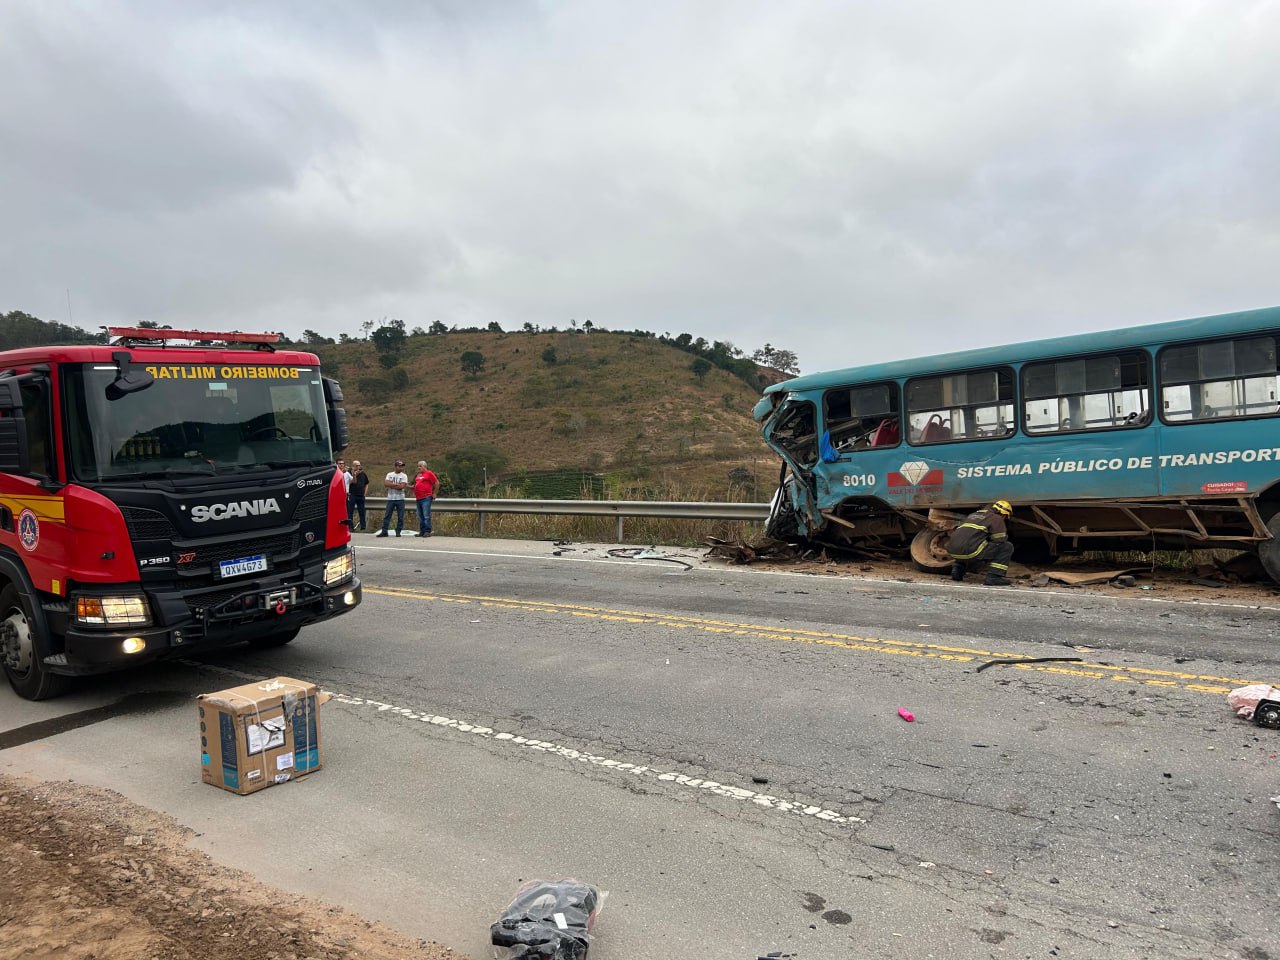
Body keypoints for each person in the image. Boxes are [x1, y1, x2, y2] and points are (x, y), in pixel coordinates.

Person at [947, 500, 1014, 586]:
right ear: (1004, 514)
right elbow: (1000, 539)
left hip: (953, 550)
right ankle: (993, 577)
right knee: (1006, 547)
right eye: (1005, 517)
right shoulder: (996, 518)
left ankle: (957, 571)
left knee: (967, 544)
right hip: (970, 551)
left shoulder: (973, 515)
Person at [375, 459, 409, 537]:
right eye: (400, 466)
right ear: (396, 466)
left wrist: (392, 484)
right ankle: (384, 531)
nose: (401, 468)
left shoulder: (404, 476)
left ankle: (398, 531)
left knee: (400, 516)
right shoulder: (390, 474)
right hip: (391, 498)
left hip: (400, 499)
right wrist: (397, 485)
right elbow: (386, 483)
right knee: (387, 516)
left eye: (402, 466)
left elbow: (402, 486)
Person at [412, 460, 438, 537]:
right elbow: (417, 485)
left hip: (426, 497)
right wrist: (410, 487)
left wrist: (435, 493)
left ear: (425, 466)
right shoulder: (418, 475)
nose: (418, 467)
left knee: (426, 515)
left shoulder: (429, 473)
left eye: (420, 466)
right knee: (420, 516)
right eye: (418, 466)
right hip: (418, 498)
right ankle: (422, 531)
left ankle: (427, 531)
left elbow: (436, 483)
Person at [349, 460, 369, 530]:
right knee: (350, 511)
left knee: (362, 511)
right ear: (353, 466)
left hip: (361, 495)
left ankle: (363, 526)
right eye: (356, 465)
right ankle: (350, 526)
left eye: (359, 465)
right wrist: (354, 475)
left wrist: (364, 494)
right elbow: (349, 482)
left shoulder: (363, 474)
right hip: (352, 495)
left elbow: (366, 484)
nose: (358, 467)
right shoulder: (349, 473)